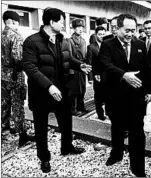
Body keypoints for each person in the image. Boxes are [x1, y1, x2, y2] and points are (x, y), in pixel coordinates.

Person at [22, 7, 91, 173]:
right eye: (61, 21)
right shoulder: (32, 41)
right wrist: (49, 86)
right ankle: (44, 158)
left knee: (66, 121)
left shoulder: (63, 40)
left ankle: (67, 147)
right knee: (41, 127)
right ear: (51, 22)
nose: (64, 25)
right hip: (41, 92)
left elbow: (67, 58)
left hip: (64, 90)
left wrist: (79, 65)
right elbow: (29, 67)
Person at [99, 13, 151, 177]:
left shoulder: (140, 44)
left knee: (137, 132)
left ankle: (138, 168)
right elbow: (105, 64)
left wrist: (149, 90)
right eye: (127, 30)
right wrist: (123, 74)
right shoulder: (107, 44)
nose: (130, 34)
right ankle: (116, 154)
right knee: (117, 128)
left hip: (136, 97)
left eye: (133, 30)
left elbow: (146, 69)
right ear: (117, 28)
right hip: (115, 96)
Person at [1, 10, 34, 147]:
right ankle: (22, 135)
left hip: (3, 75)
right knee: (18, 105)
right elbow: (18, 58)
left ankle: (4, 130)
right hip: (16, 75)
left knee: (4, 104)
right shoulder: (15, 36)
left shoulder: (2, 35)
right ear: (14, 21)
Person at [87, 26, 108, 121]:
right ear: (96, 35)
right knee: (98, 97)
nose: (102, 36)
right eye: (100, 34)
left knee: (109, 95)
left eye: (103, 34)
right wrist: (91, 78)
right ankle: (100, 115)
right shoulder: (91, 47)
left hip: (108, 74)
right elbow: (89, 62)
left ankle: (109, 113)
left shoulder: (108, 44)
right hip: (97, 75)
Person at [68, 19, 88, 115]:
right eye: (78, 27)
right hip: (74, 68)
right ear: (74, 28)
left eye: (82, 28)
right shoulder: (69, 41)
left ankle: (81, 106)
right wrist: (78, 64)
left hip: (82, 68)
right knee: (73, 89)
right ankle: (72, 109)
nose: (80, 29)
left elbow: (85, 55)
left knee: (82, 88)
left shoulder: (83, 41)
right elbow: (70, 56)